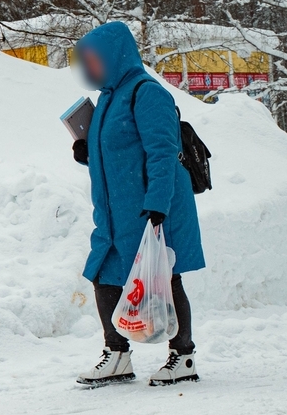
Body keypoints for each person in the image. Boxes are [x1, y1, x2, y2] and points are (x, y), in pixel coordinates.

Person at [70, 22, 205, 387]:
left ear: (116, 56)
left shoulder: (147, 94)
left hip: (150, 209)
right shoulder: (109, 98)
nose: (89, 68)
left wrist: (158, 205)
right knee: (104, 276)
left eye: (95, 59)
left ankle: (183, 355)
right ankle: (117, 354)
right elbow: (119, 154)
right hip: (116, 214)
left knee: (163, 279)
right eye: (86, 61)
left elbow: (163, 153)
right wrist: (87, 153)